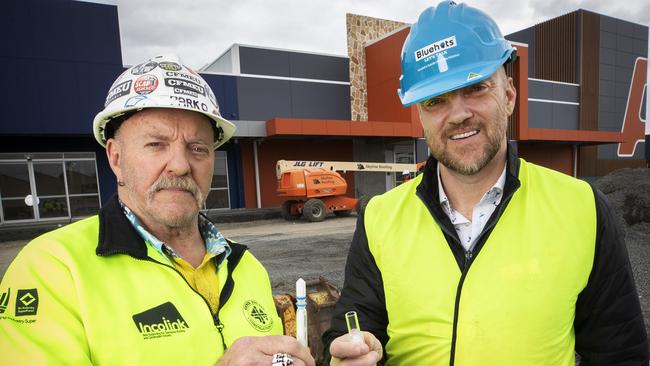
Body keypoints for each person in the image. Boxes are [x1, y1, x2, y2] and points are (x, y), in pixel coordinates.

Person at [323, 2, 649, 365]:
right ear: (421, 116)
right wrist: (347, 355)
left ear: (508, 96)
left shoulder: (582, 208)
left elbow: (622, 355)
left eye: (475, 88)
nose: (459, 114)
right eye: (436, 100)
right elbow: (352, 329)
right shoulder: (379, 217)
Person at [0, 54, 314, 366]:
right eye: (156, 144)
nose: (180, 165)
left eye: (197, 148)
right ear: (116, 158)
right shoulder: (52, 269)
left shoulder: (246, 267)